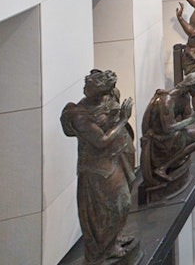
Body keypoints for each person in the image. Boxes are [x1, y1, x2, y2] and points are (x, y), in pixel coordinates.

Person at [59, 69, 138, 265]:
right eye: (86, 84)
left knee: (122, 203)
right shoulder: (79, 114)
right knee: (114, 204)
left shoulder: (109, 97)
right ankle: (104, 249)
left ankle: (113, 238)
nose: (85, 87)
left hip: (115, 157)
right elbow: (101, 140)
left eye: (90, 84)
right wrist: (123, 120)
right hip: (97, 166)